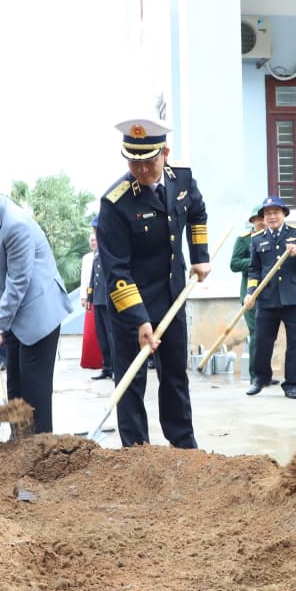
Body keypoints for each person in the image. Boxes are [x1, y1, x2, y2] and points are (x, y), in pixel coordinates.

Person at [96, 118, 209, 448]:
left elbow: (197, 213)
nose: (142, 170)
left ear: (165, 153)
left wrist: (199, 254)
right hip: (131, 303)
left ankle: (183, 446)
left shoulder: (182, 179)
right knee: (132, 382)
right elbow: (116, 271)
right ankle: (136, 452)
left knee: (175, 375)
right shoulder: (115, 203)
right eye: (134, 162)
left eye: (149, 161)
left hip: (173, 297)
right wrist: (140, 320)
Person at [0, 163, 71, 434]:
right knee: (16, 387)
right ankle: (19, 445)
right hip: (15, 315)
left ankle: (44, 453)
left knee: (35, 393)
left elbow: (18, 281)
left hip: (38, 315)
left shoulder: (16, 224)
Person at [245, 196, 296, 400]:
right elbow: (254, 270)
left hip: (293, 298)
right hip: (267, 299)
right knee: (262, 342)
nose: (271, 216)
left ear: (283, 214)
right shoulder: (257, 239)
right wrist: (251, 293)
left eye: (275, 212)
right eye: (267, 213)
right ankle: (260, 379)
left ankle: (291, 384)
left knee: (294, 344)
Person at [229, 205, 265, 383]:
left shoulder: (272, 238)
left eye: (263, 218)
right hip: (250, 293)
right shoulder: (244, 240)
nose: (262, 222)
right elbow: (234, 264)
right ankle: (255, 375)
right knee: (256, 332)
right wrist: (255, 261)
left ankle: (265, 374)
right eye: (258, 219)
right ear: (252, 221)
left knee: (267, 335)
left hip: (270, 292)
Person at [83, 219, 115, 381]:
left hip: (109, 298)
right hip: (98, 298)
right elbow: (93, 276)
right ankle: (107, 367)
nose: (95, 233)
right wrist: (90, 296)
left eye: (96, 230)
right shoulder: (97, 251)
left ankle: (116, 368)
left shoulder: (110, 247)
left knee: (111, 335)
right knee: (102, 335)